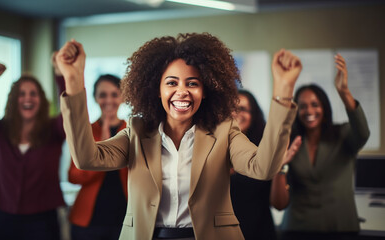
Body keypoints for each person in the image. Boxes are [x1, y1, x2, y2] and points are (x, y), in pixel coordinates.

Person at [56, 33, 302, 240]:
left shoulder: (224, 131)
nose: (182, 91)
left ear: (205, 91)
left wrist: (283, 92)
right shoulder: (137, 131)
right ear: (158, 90)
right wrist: (74, 81)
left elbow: (264, 167)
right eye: (171, 83)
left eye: (192, 83)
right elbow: (88, 159)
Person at [270, 54, 370, 240]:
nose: (309, 111)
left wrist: (344, 92)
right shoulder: (290, 141)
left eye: (315, 105)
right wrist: (280, 166)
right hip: (297, 229)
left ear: (324, 108)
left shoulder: (343, 134)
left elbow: (363, 133)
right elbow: (279, 202)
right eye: (303, 106)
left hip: (340, 228)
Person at [0, 62, 66, 240]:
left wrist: (60, 75)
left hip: (42, 220)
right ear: (14, 99)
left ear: (41, 99)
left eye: (33, 93)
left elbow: (70, 114)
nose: (28, 98)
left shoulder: (54, 130)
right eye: (22, 94)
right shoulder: (0, 130)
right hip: (3, 217)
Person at [68, 74, 128, 240]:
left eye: (114, 94)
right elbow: (73, 176)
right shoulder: (85, 132)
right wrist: (100, 144)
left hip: (125, 219)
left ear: (122, 97)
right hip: (89, 222)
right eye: (103, 95)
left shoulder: (133, 132)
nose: (109, 100)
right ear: (95, 98)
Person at [230, 89, 277, 240]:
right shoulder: (211, 147)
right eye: (232, 108)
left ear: (254, 115)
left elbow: (279, 203)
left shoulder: (265, 150)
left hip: (259, 231)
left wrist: (281, 166)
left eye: (243, 109)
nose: (237, 113)